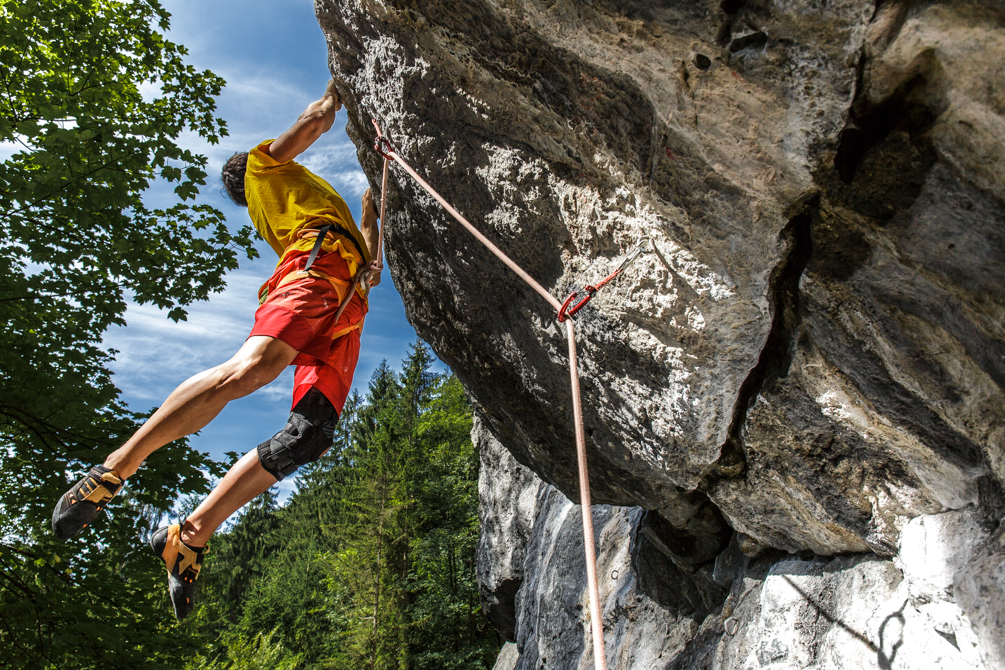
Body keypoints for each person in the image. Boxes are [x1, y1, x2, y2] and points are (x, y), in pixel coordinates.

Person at [51, 80, 381, 619]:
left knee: (311, 433)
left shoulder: (301, 202)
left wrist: (371, 208)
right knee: (252, 369)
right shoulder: (260, 169)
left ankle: (190, 535)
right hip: (316, 270)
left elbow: (370, 261)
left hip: (346, 300)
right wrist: (338, 87)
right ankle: (111, 470)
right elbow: (316, 118)